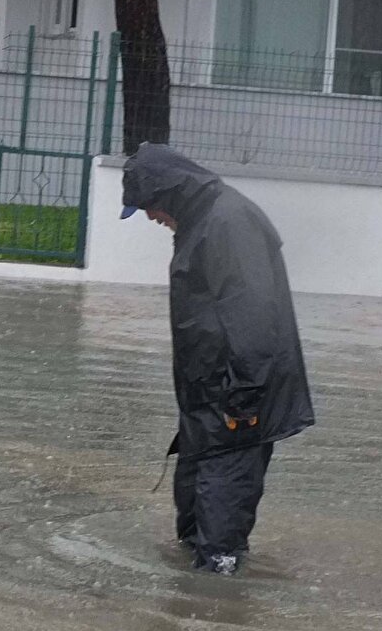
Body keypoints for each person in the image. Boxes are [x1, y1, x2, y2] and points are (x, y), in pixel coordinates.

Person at [120, 144, 315, 575]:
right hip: (209, 402)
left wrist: (242, 401)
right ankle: (194, 600)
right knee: (193, 514)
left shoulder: (228, 221)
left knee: (219, 532)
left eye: (149, 207)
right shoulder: (203, 220)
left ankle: (217, 614)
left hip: (237, 403)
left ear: (169, 193)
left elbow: (254, 314)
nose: (151, 217)